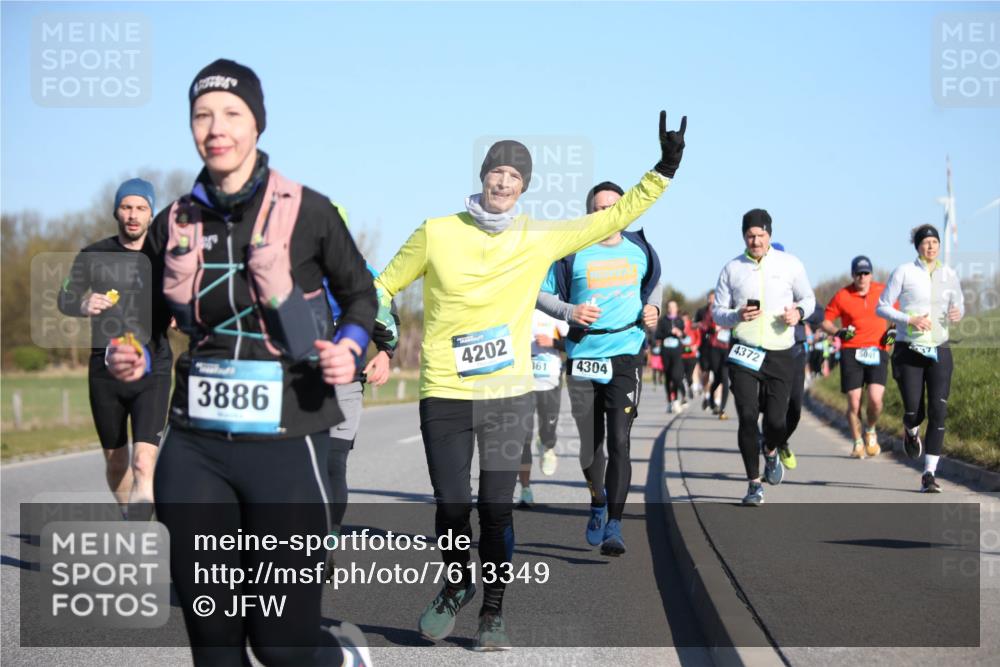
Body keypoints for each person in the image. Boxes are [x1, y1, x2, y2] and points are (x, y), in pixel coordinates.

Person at [374, 115, 686, 649]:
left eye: (513, 176)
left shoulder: (539, 237)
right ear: (483, 176)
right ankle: (457, 583)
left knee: (495, 510)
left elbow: (622, 213)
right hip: (445, 391)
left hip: (506, 394)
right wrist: (381, 333)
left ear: (524, 187)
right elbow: (381, 285)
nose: (502, 182)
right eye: (496, 172)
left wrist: (665, 167)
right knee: (451, 506)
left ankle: (493, 611)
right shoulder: (437, 232)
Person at [106, 59, 374, 666]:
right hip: (195, 448)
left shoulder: (308, 211)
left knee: (280, 646)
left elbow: (360, 295)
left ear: (258, 124)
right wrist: (131, 353)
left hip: (288, 439)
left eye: (232, 114)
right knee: (215, 640)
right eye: (202, 115)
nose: (216, 127)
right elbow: (143, 325)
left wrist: (350, 345)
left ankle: (341, 658)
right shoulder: (173, 222)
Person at [536, 180, 663, 557]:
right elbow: (540, 294)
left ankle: (615, 525)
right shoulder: (570, 252)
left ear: (625, 211)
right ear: (588, 213)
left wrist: (653, 309)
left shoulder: (640, 248)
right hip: (583, 354)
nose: (605, 214)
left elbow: (653, 284)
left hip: (626, 354)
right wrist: (569, 312)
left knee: (620, 440)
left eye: (613, 207)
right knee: (591, 447)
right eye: (598, 209)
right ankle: (597, 501)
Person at [57, 178, 171, 519]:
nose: (133, 215)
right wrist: (83, 302)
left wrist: (183, 314)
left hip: (154, 367)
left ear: (151, 213)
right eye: (126, 207)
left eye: (141, 208)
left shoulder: (164, 257)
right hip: (104, 369)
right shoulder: (93, 256)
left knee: (143, 460)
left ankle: (138, 541)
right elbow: (64, 298)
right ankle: (130, 517)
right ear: (116, 211)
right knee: (117, 460)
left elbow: (188, 297)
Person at [712, 209, 815, 506]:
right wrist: (736, 315)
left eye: (760, 235)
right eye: (750, 236)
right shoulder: (732, 269)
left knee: (777, 421)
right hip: (744, 350)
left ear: (770, 234)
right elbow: (718, 312)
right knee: (746, 416)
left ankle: (771, 450)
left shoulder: (790, 264)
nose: (755, 241)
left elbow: (808, 299)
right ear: (743, 236)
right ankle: (753, 484)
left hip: (780, 352)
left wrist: (798, 312)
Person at [877, 224, 964, 492]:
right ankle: (911, 431)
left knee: (939, 410)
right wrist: (910, 319)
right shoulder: (904, 271)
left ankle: (928, 474)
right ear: (917, 246)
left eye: (935, 242)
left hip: (939, 348)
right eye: (926, 242)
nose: (931, 246)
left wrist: (956, 313)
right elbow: (881, 307)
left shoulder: (949, 274)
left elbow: (959, 304)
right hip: (908, 349)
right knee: (914, 410)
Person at [821, 255, 891, 459]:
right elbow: (825, 321)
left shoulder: (883, 291)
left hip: (878, 349)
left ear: (871, 274)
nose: (862, 277)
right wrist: (837, 332)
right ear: (852, 275)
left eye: (866, 273)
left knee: (876, 400)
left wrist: (893, 332)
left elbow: (896, 315)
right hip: (851, 350)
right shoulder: (843, 295)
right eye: (858, 273)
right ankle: (857, 441)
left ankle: (870, 429)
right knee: (854, 401)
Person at [517, 308, 570, 506]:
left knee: (548, 430)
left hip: (550, 380)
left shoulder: (554, 312)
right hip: (523, 383)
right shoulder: (520, 308)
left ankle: (546, 445)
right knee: (523, 436)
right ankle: (525, 489)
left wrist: (552, 342)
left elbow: (573, 343)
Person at [655, 301, 686, 413]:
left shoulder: (679, 320)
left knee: (676, 376)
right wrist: (669, 332)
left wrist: (680, 333)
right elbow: (657, 335)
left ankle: (676, 400)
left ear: (677, 308)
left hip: (677, 352)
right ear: (667, 308)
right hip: (666, 352)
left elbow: (684, 335)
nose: (672, 309)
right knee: (668, 377)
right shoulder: (663, 320)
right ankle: (669, 401)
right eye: (670, 307)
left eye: (674, 306)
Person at [680, 312, 702, 401]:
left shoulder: (693, 326)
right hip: (681, 354)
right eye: (682, 319)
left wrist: (695, 345)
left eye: (685, 319)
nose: (684, 320)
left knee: (689, 374)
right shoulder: (678, 326)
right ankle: (685, 391)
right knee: (682, 374)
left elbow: (698, 338)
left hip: (691, 354)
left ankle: (690, 386)